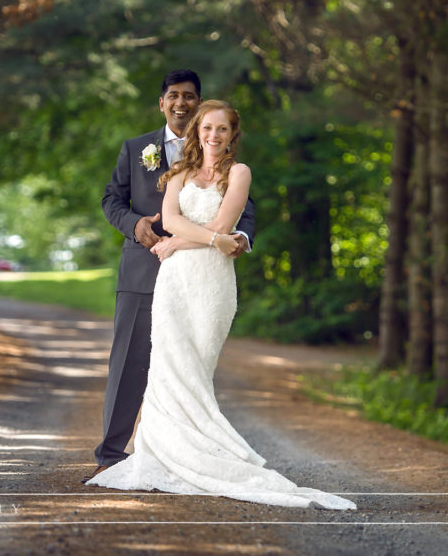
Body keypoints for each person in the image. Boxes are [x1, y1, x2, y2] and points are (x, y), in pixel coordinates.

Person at [88, 100, 355, 511]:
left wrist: (185, 242)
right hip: (174, 282)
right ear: (197, 131)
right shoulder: (178, 172)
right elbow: (170, 221)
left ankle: (204, 457)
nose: (214, 135)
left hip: (211, 282)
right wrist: (204, 239)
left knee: (196, 370)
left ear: (232, 135)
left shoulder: (239, 173)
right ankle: (163, 455)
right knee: (167, 368)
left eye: (222, 129)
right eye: (207, 128)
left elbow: (223, 224)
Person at [85, 70, 255, 482]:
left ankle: (185, 454)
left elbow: (243, 210)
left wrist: (241, 237)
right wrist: (133, 225)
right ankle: (111, 452)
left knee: (186, 366)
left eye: (190, 96)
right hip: (143, 268)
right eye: (173, 96)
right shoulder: (136, 148)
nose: (181, 103)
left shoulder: (224, 158)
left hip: (199, 272)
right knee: (129, 362)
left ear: (199, 105)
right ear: (161, 103)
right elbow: (111, 199)